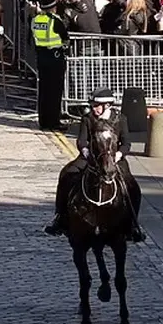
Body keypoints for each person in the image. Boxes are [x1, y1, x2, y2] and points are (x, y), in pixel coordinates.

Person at [44, 91, 145, 242]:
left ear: (107, 105)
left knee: (132, 186)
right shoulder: (87, 119)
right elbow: (82, 141)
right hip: (91, 157)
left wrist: (117, 156)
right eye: (92, 105)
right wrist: (86, 153)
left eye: (97, 106)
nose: (93, 108)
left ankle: (132, 224)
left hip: (114, 158)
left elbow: (126, 143)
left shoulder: (120, 119)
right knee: (66, 173)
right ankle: (60, 217)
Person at [32, 0, 69, 131]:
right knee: (55, 91)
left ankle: (43, 120)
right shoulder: (55, 20)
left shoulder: (35, 19)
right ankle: (54, 121)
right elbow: (65, 37)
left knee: (44, 90)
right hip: (54, 57)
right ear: (53, 8)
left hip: (41, 56)